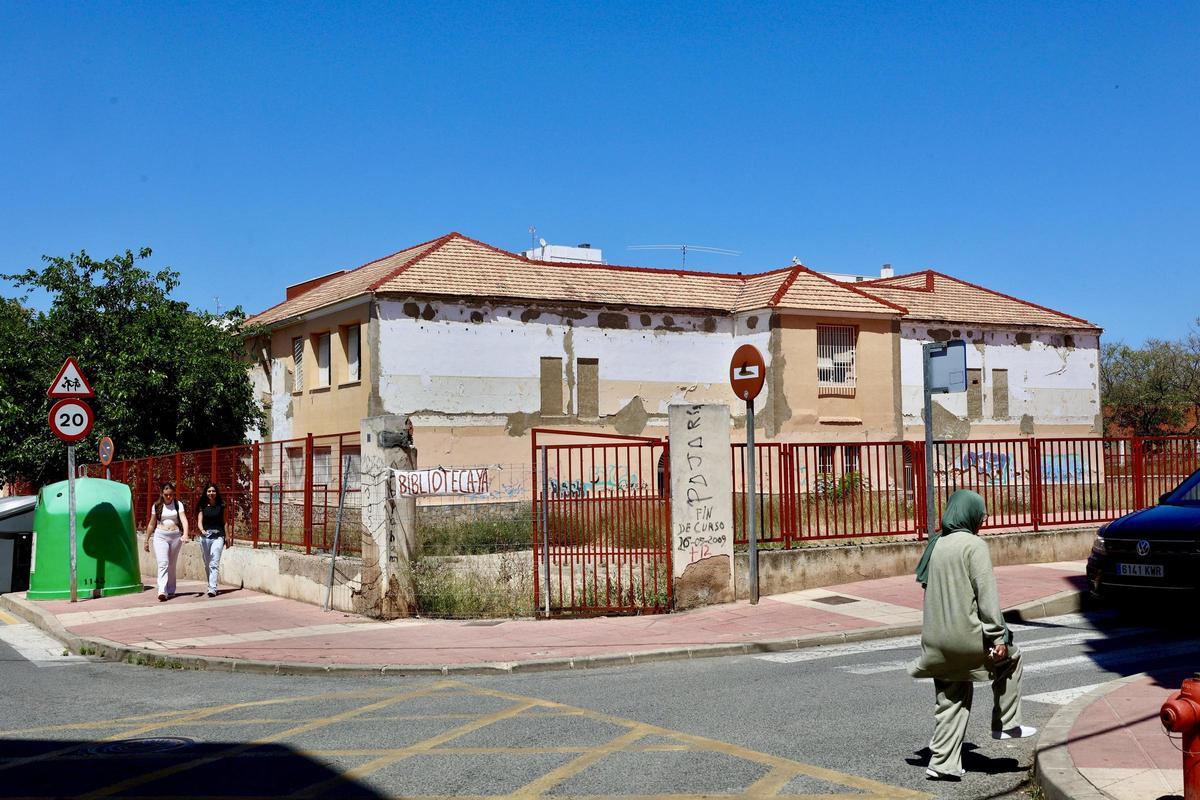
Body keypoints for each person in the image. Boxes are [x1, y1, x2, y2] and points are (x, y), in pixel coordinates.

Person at [909, 489, 1036, 781]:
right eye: (980, 515)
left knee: (951, 697)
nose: (982, 521)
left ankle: (942, 763)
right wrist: (998, 637)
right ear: (969, 515)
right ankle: (1006, 723)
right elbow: (986, 596)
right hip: (965, 639)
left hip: (935, 640)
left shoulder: (936, 545)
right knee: (1011, 659)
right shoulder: (974, 546)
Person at [144, 482, 190, 601]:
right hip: (160, 536)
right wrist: (146, 540)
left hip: (175, 536)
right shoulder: (157, 506)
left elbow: (184, 520)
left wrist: (185, 534)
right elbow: (151, 524)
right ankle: (162, 590)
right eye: (166, 495)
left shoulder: (178, 504)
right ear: (161, 494)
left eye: (171, 494)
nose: (169, 497)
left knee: (171, 564)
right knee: (163, 563)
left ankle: (171, 590)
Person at [195, 481, 229, 598]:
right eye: (209, 491)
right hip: (205, 537)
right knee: (207, 563)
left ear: (216, 492)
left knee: (214, 562)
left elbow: (225, 522)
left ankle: (212, 588)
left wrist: (227, 537)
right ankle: (210, 583)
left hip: (218, 537)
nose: (211, 493)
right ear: (206, 493)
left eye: (213, 491)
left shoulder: (221, 506)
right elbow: (199, 521)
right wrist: (202, 530)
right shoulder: (202, 506)